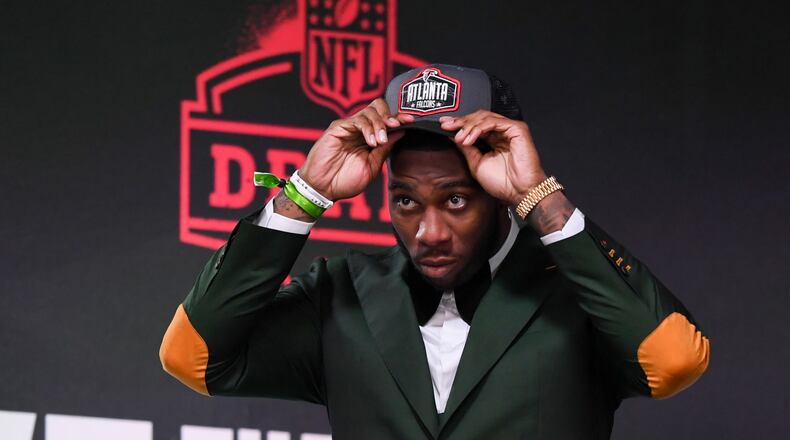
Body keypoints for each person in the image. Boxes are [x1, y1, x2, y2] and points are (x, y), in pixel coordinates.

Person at [160, 64, 711, 439]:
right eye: (405, 200)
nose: (429, 232)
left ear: (499, 193)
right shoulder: (342, 294)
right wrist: (305, 193)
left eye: (455, 200)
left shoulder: (578, 294)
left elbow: (676, 360)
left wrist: (540, 198)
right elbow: (191, 357)